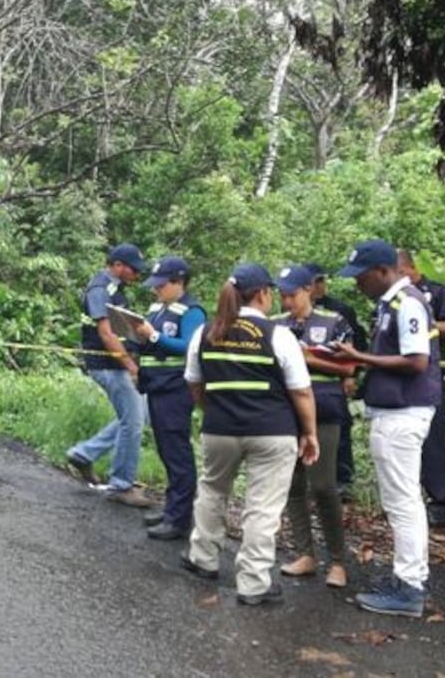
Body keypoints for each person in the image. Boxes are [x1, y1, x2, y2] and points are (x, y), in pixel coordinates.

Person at [179, 263, 318, 607]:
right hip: (272, 432)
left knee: (212, 490)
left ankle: (203, 558)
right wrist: (310, 433)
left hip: (220, 429)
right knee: (262, 508)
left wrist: (210, 411)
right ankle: (253, 584)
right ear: (262, 294)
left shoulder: (206, 332)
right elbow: (301, 392)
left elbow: (194, 382)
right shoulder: (277, 335)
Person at [332, 240, 441, 618]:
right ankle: (407, 578)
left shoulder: (407, 302)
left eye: (361, 277)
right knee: (402, 499)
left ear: (382, 271)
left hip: (403, 413)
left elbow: (415, 361)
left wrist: (358, 357)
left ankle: (409, 587)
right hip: (394, 412)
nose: (357, 284)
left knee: (402, 501)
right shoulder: (389, 304)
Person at [272, 265, 352, 588]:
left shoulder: (334, 322)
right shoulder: (275, 325)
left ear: (309, 290)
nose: (286, 300)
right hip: (285, 411)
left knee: (323, 486)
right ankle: (305, 554)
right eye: (282, 294)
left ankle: (337, 561)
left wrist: (306, 358)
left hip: (325, 409)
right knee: (292, 485)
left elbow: (349, 365)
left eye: (292, 294)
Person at [66, 244, 151, 508]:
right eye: (133, 269)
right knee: (134, 422)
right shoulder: (100, 289)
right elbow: (106, 333)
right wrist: (130, 365)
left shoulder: (116, 289)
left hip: (115, 364)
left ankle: (84, 454)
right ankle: (121, 485)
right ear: (117, 265)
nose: (136, 275)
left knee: (139, 415)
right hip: (107, 365)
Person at [132, 256, 206, 540]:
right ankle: (172, 508)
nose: (156, 291)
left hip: (176, 388)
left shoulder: (192, 311)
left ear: (179, 282)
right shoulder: (158, 308)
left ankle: (179, 518)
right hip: (155, 384)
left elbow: (189, 345)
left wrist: (152, 338)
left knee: (177, 452)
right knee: (166, 449)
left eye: (161, 286)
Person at [397, 248, 445, 526]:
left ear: (410, 269)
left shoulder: (437, 292)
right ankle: (409, 498)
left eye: (401, 273)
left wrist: (425, 323)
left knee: (434, 438)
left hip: (431, 372)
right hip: (399, 373)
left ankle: (441, 501)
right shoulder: (393, 297)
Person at [306, 263, 367, 498]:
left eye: (322, 281)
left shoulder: (340, 311)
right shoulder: (293, 311)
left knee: (340, 428)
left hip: (335, 379)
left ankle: (343, 479)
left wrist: (352, 375)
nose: (320, 286)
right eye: (314, 282)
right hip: (304, 382)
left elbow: (357, 345)